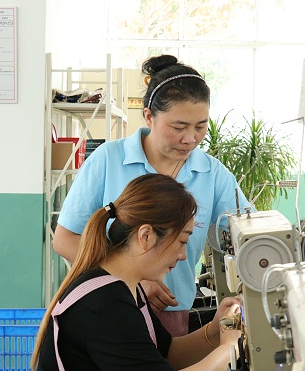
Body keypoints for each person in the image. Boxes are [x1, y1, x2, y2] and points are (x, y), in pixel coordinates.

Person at [23, 173, 242, 371]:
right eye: (181, 241)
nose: (183, 255)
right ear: (146, 235)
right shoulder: (103, 303)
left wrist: (215, 330)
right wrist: (229, 349)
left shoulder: (126, 287)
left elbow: (166, 354)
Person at [53, 54, 251, 337]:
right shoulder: (108, 160)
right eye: (178, 127)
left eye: (200, 127)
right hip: (108, 304)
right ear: (149, 116)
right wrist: (130, 280)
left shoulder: (213, 174)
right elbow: (65, 240)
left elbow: (248, 233)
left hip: (172, 312)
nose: (190, 139)